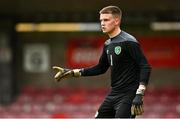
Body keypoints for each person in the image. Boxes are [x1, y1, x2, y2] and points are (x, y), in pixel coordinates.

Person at [53, 5, 151, 118]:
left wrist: (140, 93)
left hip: (128, 95)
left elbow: (145, 66)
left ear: (116, 21)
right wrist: (72, 72)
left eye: (106, 20)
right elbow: (101, 68)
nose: (102, 23)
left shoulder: (129, 41)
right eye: (101, 20)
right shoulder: (108, 44)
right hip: (114, 94)